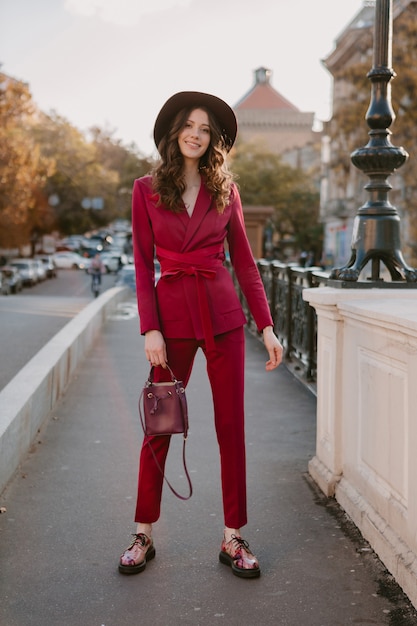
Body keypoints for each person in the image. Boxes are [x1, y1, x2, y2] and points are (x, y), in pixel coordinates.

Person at [119, 91, 283, 579]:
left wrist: (268, 326)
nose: (196, 133)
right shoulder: (145, 188)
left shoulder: (226, 190)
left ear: (214, 139)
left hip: (224, 319)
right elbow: (141, 262)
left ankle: (233, 537)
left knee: (231, 428)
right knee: (160, 424)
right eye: (189, 125)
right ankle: (143, 532)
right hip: (170, 322)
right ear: (175, 132)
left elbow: (246, 265)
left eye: (205, 128)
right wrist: (150, 327)